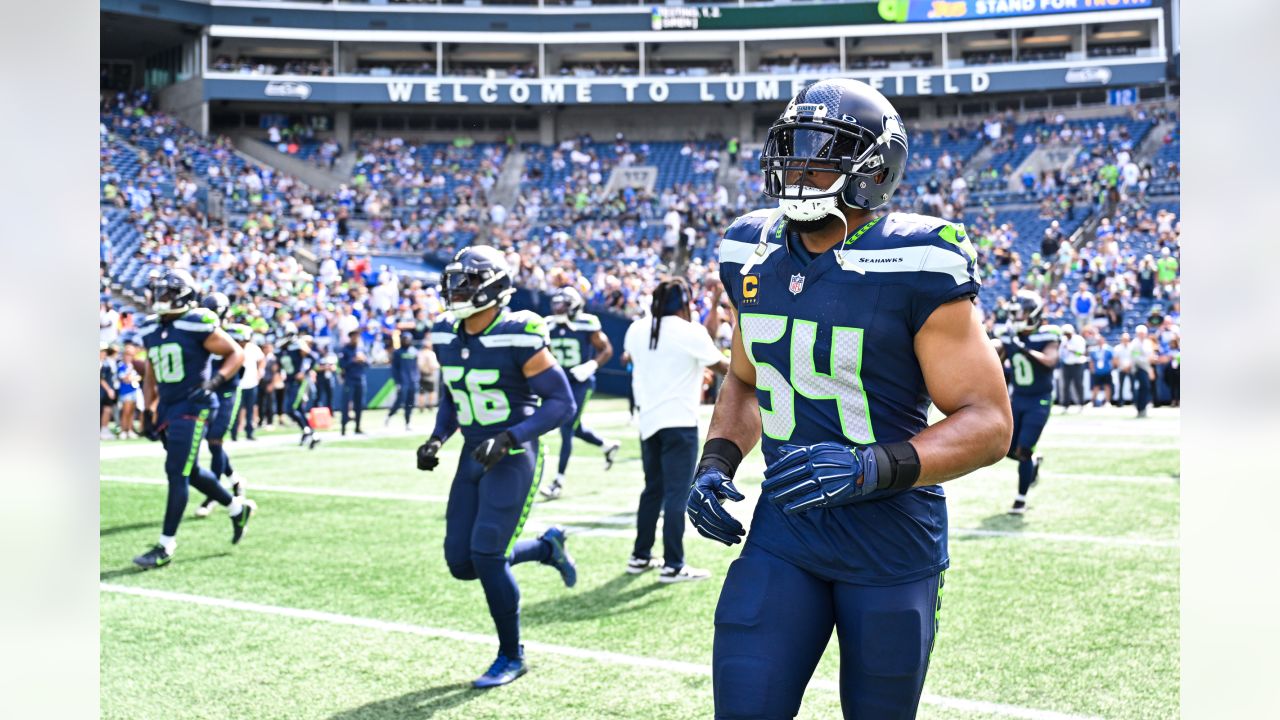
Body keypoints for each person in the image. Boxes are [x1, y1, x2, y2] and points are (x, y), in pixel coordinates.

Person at [685, 79, 1012, 719]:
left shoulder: (916, 258)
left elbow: (989, 421)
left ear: (874, 167)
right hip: (786, 531)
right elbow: (746, 381)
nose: (798, 169)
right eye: (792, 150)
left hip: (891, 545)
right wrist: (715, 464)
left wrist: (873, 465)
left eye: (821, 154)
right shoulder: (749, 249)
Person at [414, 246, 578, 688]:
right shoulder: (446, 334)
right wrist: (437, 437)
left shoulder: (520, 331)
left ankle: (512, 655)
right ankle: (546, 548)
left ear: (493, 285)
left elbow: (562, 403)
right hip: (472, 450)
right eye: (454, 280)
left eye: (466, 281)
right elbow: (454, 395)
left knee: (487, 555)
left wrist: (509, 438)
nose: (455, 289)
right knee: (462, 562)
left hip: (513, 454)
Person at [133, 269, 255, 569]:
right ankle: (236, 507)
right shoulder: (151, 328)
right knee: (192, 470)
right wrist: (149, 409)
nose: (161, 298)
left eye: (168, 292)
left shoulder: (196, 322)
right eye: (159, 291)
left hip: (194, 405)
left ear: (184, 294)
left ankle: (165, 546)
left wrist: (213, 383)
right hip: (168, 407)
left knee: (176, 471)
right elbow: (150, 372)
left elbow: (235, 353)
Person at [624, 277, 729, 582]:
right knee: (676, 494)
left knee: (652, 490)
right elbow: (722, 367)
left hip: (649, 422)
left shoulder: (636, 329)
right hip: (680, 421)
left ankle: (640, 555)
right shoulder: (690, 331)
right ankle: (673, 563)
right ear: (683, 302)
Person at [539, 286, 621, 501]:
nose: (557, 308)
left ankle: (557, 481)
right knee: (573, 426)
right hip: (559, 382)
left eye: (562, 304)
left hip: (580, 382)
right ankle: (607, 445)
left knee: (567, 427)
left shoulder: (587, 323)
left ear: (574, 306)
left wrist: (591, 365)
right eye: (555, 303)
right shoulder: (547, 324)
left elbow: (607, 349)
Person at [995, 291, 1060, 514]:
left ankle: (1020, 499)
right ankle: (1033, 463)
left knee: (1023, 451)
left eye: (1020, 312)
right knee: (1006, 449)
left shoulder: (1048, 334)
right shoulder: (1011, 335)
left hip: (1039, 400)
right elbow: (995, 362)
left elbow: (1050, 361)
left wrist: (1020, 346)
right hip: (1018, 398)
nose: (1017, 317)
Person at [194, 295, 249, 518]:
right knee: (211, 443)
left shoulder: (233, 333)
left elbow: (239, 356)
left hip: (226, 391)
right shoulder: (201, 331)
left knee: (215, 441)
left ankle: (213, 496)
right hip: (209, 392)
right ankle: (235, 480)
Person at [279, 323, 320, 449]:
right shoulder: (282, 347)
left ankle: (307, 430)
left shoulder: (298, 345)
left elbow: (313, 358)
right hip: (290, 381)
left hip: (299, 382)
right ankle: (311, 434)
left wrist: (305, 372)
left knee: (291, 408)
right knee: (298, 409)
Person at [385, 324, 420, 431]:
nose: (406, 340)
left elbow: (416, 367)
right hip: (403, 381)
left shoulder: (414, 351)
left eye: (408, 339)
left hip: (412, 381)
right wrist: (397, 382)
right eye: (404, 339)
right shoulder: (398, 352)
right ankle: (389, 417)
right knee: (399, 401)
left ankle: (408, 422)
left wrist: (417, 379)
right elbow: (394, 369)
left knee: (410, 403)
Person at [232, 329, 266, 441]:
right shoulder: (233, 347)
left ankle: (249, 432)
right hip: (238, 384)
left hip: (251, 382)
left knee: (250, 409)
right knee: (236, 410)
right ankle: (234, 433)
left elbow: (262, 359)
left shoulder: (253, 348)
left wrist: (260, 371)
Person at [338, 330, 369, 435]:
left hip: (360, 379)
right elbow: (342, 365)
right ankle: (343, 428)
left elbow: (368, 364)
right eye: (354, 336)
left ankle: (358, 426)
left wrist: (363, 360)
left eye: (358, 336)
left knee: (359, 404)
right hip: (349, 379)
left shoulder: (362, 349)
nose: (356, 339)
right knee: (346, 404)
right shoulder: (345, 349)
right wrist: (353, 360)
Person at [1059, 323, 1088, 412]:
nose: (1066, 335)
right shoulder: (1063, 340)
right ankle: (1065, 405)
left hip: (1077, 364)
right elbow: (1060, 353)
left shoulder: (1079, 339)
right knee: (1065, 385)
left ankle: (1081, 404)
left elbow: (1081, 353)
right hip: (1066, 364)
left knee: (1078, 384)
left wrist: (1070, 349)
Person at [1131, 324, 1157, 418]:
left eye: (1143, 333)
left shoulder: (1147, 343)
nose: (1142, 335)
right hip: (1139, 368)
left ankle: (1143, 407)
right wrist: (1147, 361)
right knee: (1144, 387)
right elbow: (1136, 358)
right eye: (1140, 333)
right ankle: (1140, 408)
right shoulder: (1135, 343)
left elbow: (1150, 355)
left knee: (1145, 388)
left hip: (1146, 368)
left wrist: (1150, 368)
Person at [1087, 327, 1115, 407]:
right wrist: (1092, 369)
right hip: (1097, 371)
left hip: (1106, 371)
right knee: (1096, 387)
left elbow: (1112, 359)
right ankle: (1093, 401)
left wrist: (1111, 368)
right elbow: (1091, 361)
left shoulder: (1109, 349)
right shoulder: (1094, 350)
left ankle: (1107, 401)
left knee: (1107, 386)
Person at [100, 344, 119, 439]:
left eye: (104, 351)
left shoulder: (107, 362)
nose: (104, 353)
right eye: (102, 351)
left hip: (105, 391)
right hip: (103, 391)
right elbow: (101, 379)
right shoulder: (104, 364)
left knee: (107, 410)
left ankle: (104, 429)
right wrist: (109, 390)